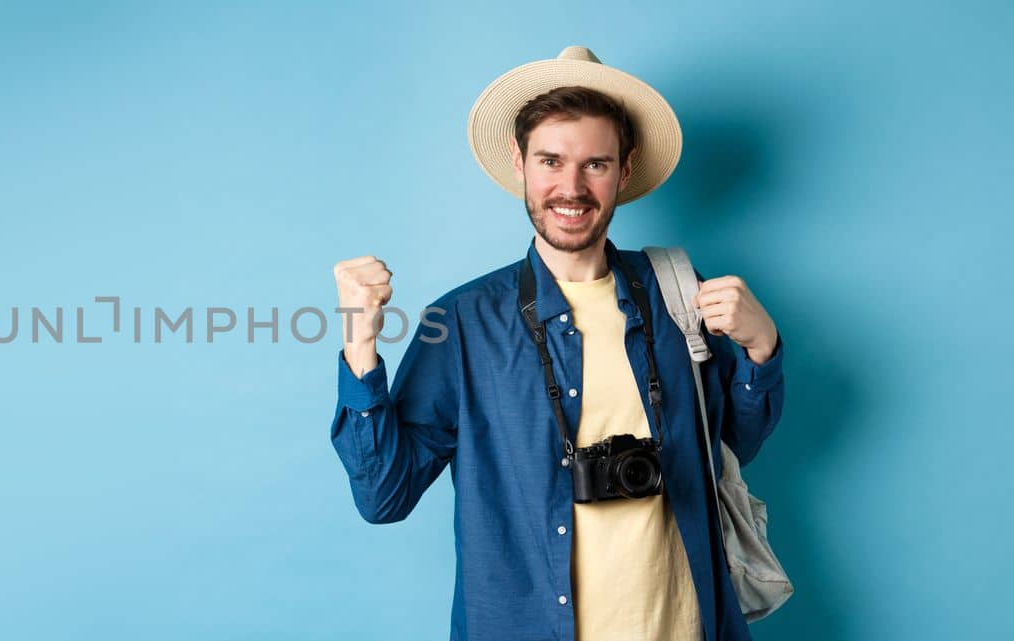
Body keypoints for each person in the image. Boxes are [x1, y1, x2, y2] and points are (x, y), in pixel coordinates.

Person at [329, 46, 785, 641]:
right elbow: (383, 496)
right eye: (551, 160)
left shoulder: (680, 293)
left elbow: (727, 448)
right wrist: (360, 341)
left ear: (624, 172)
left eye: (595, 164)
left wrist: (761, 350)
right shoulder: (462, 321)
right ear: (520, 163)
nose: (571, 188)